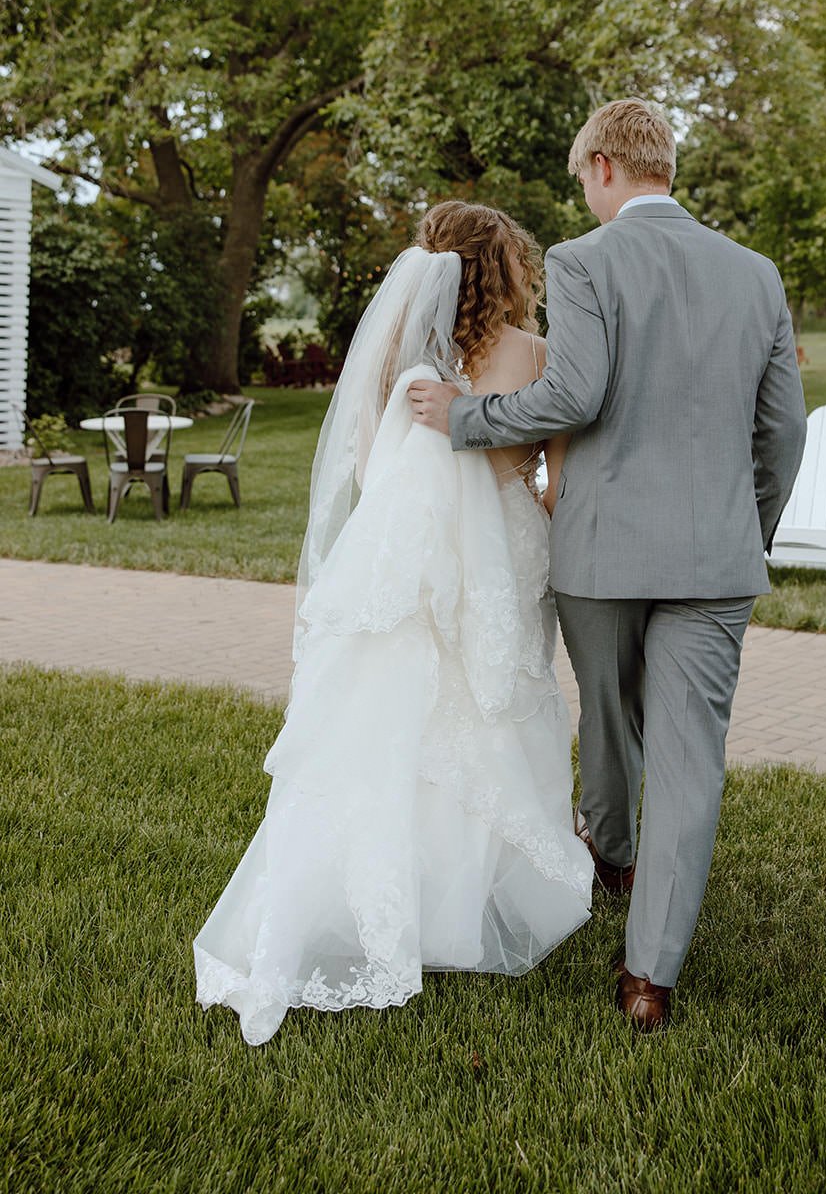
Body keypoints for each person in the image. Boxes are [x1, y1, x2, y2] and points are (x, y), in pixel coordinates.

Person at [410, 98, 807, 1032]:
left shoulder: (584, 261)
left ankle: (612, 856)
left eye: (580, 177)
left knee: (607, 712)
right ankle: (647, 977)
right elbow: (782, 430)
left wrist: (464, 420)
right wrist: (747, 527)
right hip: (716, 558)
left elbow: (573, 393)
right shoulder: (755, 274)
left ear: (600, 168)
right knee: (690, 759)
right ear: (662, 164)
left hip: (598, 552)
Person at [194, 203, 593, 1045]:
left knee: (399, 726)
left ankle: (384, 901)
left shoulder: (391, 361)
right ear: (508, 268)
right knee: (486, 719)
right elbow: (551, 484)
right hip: (507, 560)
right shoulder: (535, 355)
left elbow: (373, 470)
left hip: (406, 565)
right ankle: (465, 909)